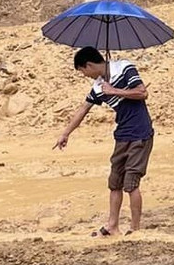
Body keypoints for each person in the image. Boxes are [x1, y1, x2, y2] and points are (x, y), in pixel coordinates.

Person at [53, 46, 154, 237]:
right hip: (122, 134)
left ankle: (135, 229)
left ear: (89, 65)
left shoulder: (124, 68)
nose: (84, 75)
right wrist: (65, 133)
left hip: (140, 133)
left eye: (82, 71)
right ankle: (112, 226)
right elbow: (83, 109)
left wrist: (114, 91)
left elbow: (142, 92)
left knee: (131, 183)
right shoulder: (98, 86)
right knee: (115, 182)